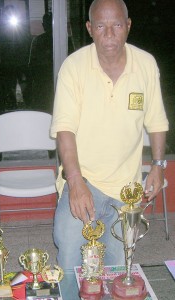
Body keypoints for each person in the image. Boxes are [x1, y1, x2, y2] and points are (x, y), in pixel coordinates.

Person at [50, 0, 169, 273]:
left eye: (116, 25)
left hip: (126, 188)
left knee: (116, 267)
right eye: (101, 26)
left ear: (128, 26)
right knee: (69, 256)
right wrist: (76, 182)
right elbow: (64, 129)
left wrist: (158, 167)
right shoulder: (73, 67)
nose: (109, 35)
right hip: (85, 178)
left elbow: (157, 122)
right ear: (90, 29)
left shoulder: (146, 65)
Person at [28, 12, 54, 113]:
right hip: (46, 82)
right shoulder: (64, 40)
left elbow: (32, 65)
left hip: (41, 83)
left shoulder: (38, 41)